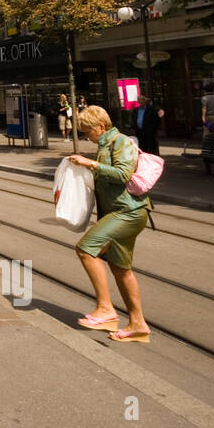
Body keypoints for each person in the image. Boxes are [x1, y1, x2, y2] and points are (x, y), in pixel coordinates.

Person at [66, 105, 152, 343]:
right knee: (121, 270)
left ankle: (105, 309)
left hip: (128, 211)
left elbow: (123, 174)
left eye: (87, 131)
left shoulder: (121, 142)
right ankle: (138, 325)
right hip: (118, 212)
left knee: (85, 249)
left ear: (100, 127)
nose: (86, 136)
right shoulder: (105, 144)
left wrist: (90, 164)